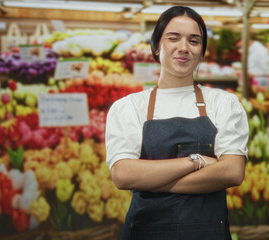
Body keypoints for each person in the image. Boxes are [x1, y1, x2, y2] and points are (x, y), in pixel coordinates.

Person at [105, 6, 249, 240]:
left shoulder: (223, 103)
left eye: (194, 40)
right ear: (156, 46)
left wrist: (150, 181)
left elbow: (232, 171)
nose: (184, 47)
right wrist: (196, 161)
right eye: (173, 38)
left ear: (202, 51)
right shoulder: (129, 107)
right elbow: (123, 174)